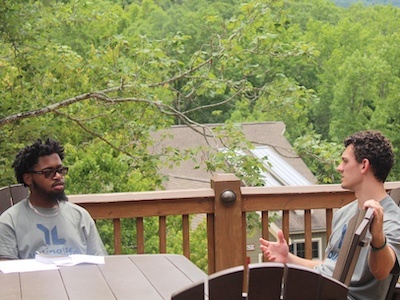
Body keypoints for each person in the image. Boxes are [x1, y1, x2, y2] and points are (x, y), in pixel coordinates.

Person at [260, 130, 400, 300]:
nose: (339, 168)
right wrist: (287, 258)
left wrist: (378, 237)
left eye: (345, 161)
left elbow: (382, 271)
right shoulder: (343, 213)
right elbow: (329, 266)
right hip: (320, 289)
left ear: (364, 165)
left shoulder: (391, 219)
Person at [0, 138, 107, 260]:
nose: (57, 176)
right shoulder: (9, 222)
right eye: (48, 172)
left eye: (60, 170)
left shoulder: (80, 216)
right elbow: (6, 274)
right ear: (28, 178)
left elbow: (100, 263)